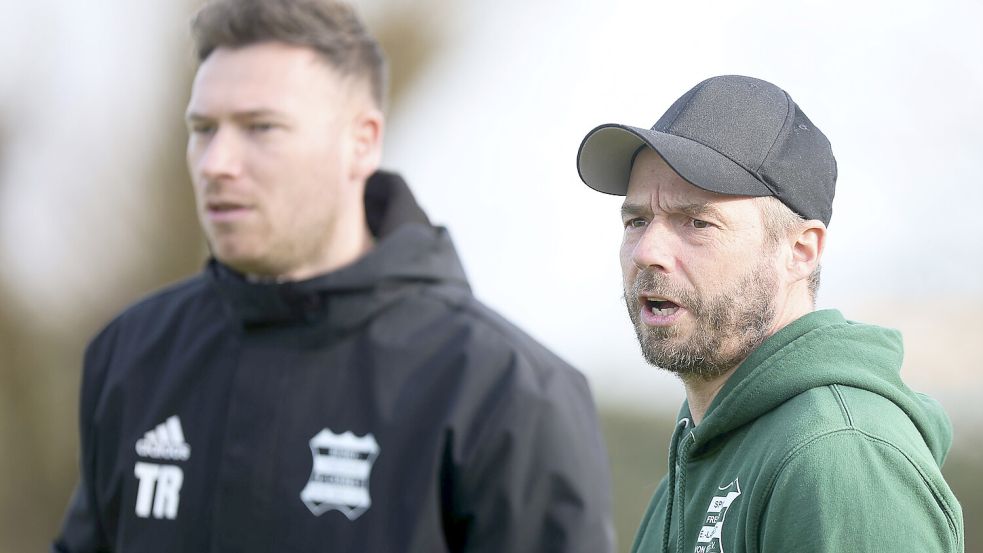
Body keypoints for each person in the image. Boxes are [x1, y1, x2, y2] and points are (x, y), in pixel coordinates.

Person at [52, 1, 615, 551]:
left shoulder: (505, 391)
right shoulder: (133, 353)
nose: (216, 162)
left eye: (261, 127)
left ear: (361, 142)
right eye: (203, 128)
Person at [575, 75, 964, 552]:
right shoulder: (698, 455)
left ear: (801, 250)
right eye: (637, 221)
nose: (647, 250)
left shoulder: (837, 456)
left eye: (697, 222)